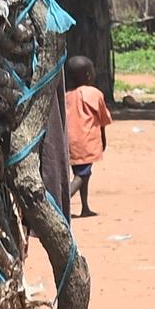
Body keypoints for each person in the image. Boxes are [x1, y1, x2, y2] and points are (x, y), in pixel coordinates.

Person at [64, 62, 112, 216]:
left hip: (69, 143)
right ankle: (62, 202)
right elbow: (103, 120)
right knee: (81, 176)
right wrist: (103, 140)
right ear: (88, 75)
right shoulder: (95, 94)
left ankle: (85, 207)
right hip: (86, 142)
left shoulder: (66, 96)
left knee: (83, 174)